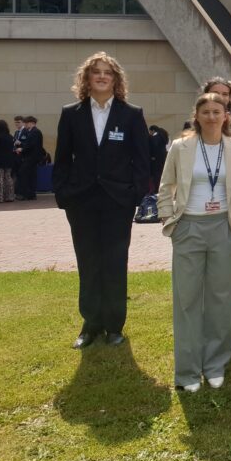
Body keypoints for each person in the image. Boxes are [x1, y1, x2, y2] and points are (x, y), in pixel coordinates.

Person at [53, 52, 150, 348]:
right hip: (81, 200)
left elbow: (142, 159)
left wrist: (134, 194)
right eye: (96, 72)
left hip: (117, 201)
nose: (102, 76)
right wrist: (63, 194)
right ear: (87, 78)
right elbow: (62, 159)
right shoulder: (71, 113)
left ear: (116, 79)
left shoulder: (131, 114)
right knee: (88, 261)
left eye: (108, 72)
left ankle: (114, 326)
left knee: (115, 261)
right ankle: (90, 324)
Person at [157, 93, 231, 391]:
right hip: (188, 227)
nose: (211, 116)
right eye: (205, 111)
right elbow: (165, 186)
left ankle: (215, 363)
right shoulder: (180, 147)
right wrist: (169, 220)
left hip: (224, 227)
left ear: (226, 116)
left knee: (222, 298)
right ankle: (188, 371)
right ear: (196, 115)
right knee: (187, 299)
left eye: (217, 111)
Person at [15, 115, 42, 200]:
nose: (25, 125)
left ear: (32, 123)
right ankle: (30, 194)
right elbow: (29, 144)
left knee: (23, 173)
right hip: (30, 157)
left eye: (26, 123)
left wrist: (21, 149)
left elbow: (32, 145)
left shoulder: (35, 132)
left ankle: (26, 194)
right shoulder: (32, 131)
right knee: (31, 175)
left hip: (31, 157)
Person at [148, 125, 170, 193]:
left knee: (156, 174)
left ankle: (156, 189)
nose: (150, 133)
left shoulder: (155, 137)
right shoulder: (163, 136)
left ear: (153, 130)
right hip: (163, 156)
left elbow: (154, 147)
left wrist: (152, 156)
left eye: (150, 131)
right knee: (162, 173)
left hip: (156, 158)